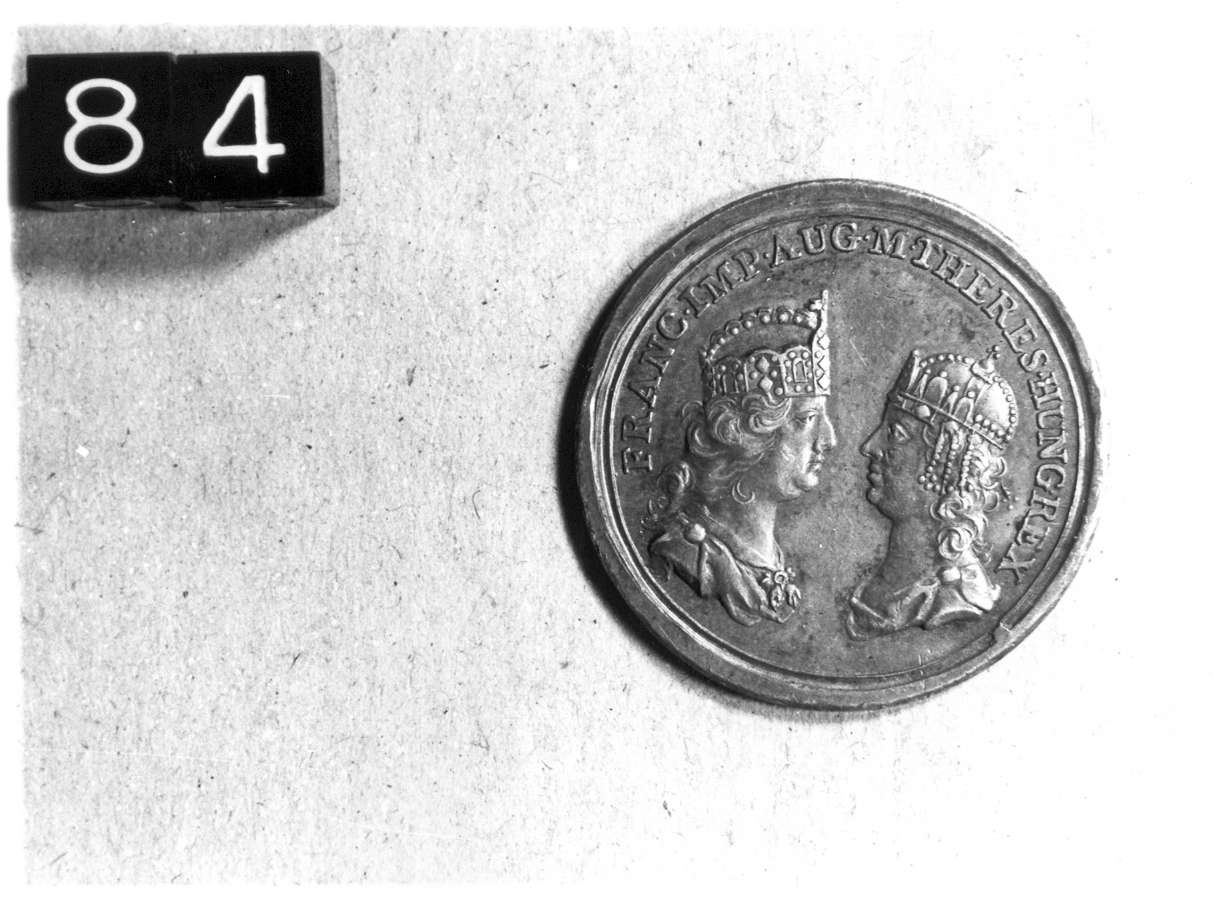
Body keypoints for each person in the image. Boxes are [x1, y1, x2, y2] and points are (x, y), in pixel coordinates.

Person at [648, 294, 836, 627]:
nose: (828, 440)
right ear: (747, 438)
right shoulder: (689, 553)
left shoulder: (770, 557)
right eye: (807, 419)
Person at [846, 346, 1017, 639]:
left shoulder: (955, 600)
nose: (870, 447)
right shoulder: (885, 582)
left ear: (946, 460)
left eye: (895, 434)